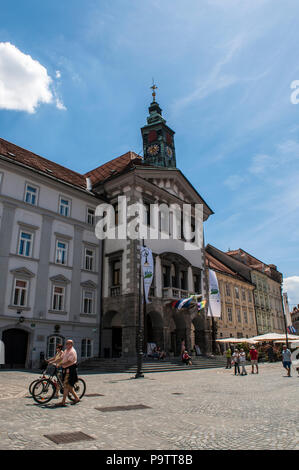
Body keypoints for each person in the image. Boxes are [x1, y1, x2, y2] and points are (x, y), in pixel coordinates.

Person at [56, 339, 80, 406]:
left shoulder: (72, 351)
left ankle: (63, 402)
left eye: (68, 344)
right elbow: (61, 358)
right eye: (66, 343)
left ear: (71, 344)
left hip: (70, 370)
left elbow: (70, 361)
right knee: (69, 387)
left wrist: (61, 364)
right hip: (65, 369)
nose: (66, 345)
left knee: (66, 386)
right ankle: (77, 398)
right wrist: (55, 362)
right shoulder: (66, 350)